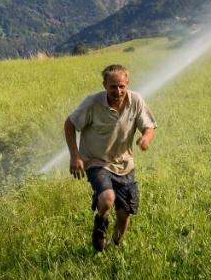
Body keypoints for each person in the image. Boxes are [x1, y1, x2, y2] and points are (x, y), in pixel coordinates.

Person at [63, 63, 157, 252]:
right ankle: (101, 221)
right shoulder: (93, 103)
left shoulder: (136, 100)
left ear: (127, 84)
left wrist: (146, 138)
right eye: (113, 86)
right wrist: (75, 155)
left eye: (122, 86)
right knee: (107, 199)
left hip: (125, 164)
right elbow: (70, 124)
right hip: (97, 161)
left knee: (124, 215)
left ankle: (114, 247)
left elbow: (148, 126)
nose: (118, 91)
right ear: (105, 84)